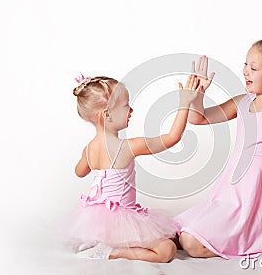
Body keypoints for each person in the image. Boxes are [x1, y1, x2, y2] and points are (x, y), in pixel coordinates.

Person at [175, 28, 262, 259]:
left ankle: (247, 237)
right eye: (245, 64)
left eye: (254, 68)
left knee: (191, 243)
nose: (245, 71)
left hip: (256, 202)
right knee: (174, 232)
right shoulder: (242, 102)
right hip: (231, 194)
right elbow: (199, 118)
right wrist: (197, 96)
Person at [67, 75, 200, 262]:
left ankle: (102, 244)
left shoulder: (89, 149)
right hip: (119, 223)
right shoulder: (127, 147)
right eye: (126, 105)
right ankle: (109, 252)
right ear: (107, 114)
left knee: (170, 237)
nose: (131, 110)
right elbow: (172, 137)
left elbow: (79, 171)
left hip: (96, 222)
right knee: (167, 249)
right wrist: (184, 102)